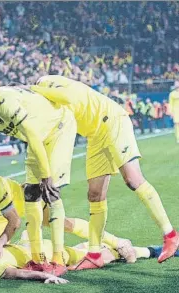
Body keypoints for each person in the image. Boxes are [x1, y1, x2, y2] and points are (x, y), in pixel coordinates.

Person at [31, 75, 178, 270]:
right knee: (95, 194)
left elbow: (69, 97)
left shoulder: (52, 88)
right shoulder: (45, 101)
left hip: (112, 119)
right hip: (95, 135)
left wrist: (33, 88)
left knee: (133, 179)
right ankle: (94, 254)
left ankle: (170, 236)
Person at [0, 86, 77, 276]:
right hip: (38, 137)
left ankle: (57, 260)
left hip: (58, 129)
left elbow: (32, 135)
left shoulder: (5, 103)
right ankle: (37, 258)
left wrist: (46, 175)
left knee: (51, 193)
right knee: (31, 194)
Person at [0, 169, 136, 272]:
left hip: (20, 202)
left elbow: (13, 220)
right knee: (0, 258)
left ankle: (117, 242)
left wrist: (0, 241)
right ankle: (93, 251)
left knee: (61, 223)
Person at [0, 230, 179, 282]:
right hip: (42, 247)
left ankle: (149, 248)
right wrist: (46, 278)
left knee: (112, 254)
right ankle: (155, 249)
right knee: (108, 253)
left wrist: (45, 277)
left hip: (48, 253)